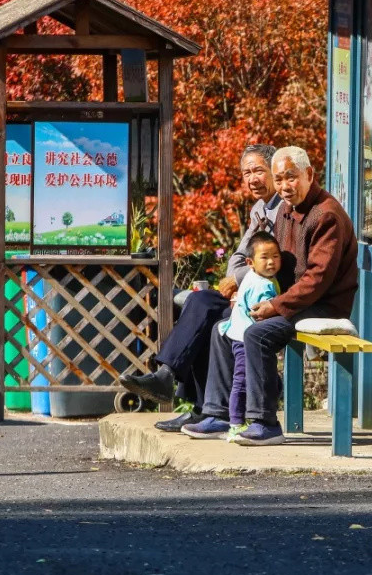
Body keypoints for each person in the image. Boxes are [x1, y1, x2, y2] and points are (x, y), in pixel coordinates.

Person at [190, 145, 359, 445]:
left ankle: (265, 422)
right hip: (288, 299)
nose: (283, 186)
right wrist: (247, 296)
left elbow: (317, 280)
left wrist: (275, 305)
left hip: (321, 306)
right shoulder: (284, 208)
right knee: (223, 328)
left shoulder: (326, 216)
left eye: (290, 178)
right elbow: (275, 263)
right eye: (278, 179)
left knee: (257, 334)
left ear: (309, 174)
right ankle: (217, 414)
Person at [119, 144, 282, 432]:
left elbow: (271, 261)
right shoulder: (259, 208)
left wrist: (239, 279)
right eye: (246, 173)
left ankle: (195, 403)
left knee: (210, 318)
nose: (252, 179)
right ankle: (172, 380)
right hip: (245, 291)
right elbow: (238, 256)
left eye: (259, 171)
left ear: (274, 172)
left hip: (265, 297)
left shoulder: (283, 209)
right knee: (200, 303)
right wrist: (236, 278)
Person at [182, 231, 282, 440]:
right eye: (264, 258)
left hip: (236, 332)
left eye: (276, 257)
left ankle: (229, 419)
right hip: (245, 339)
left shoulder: (252, 278)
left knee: (241, 379)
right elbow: (259, 314)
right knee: (241, 381)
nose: (271, 262)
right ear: (250, 262)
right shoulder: (263, 284)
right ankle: (234, 422)